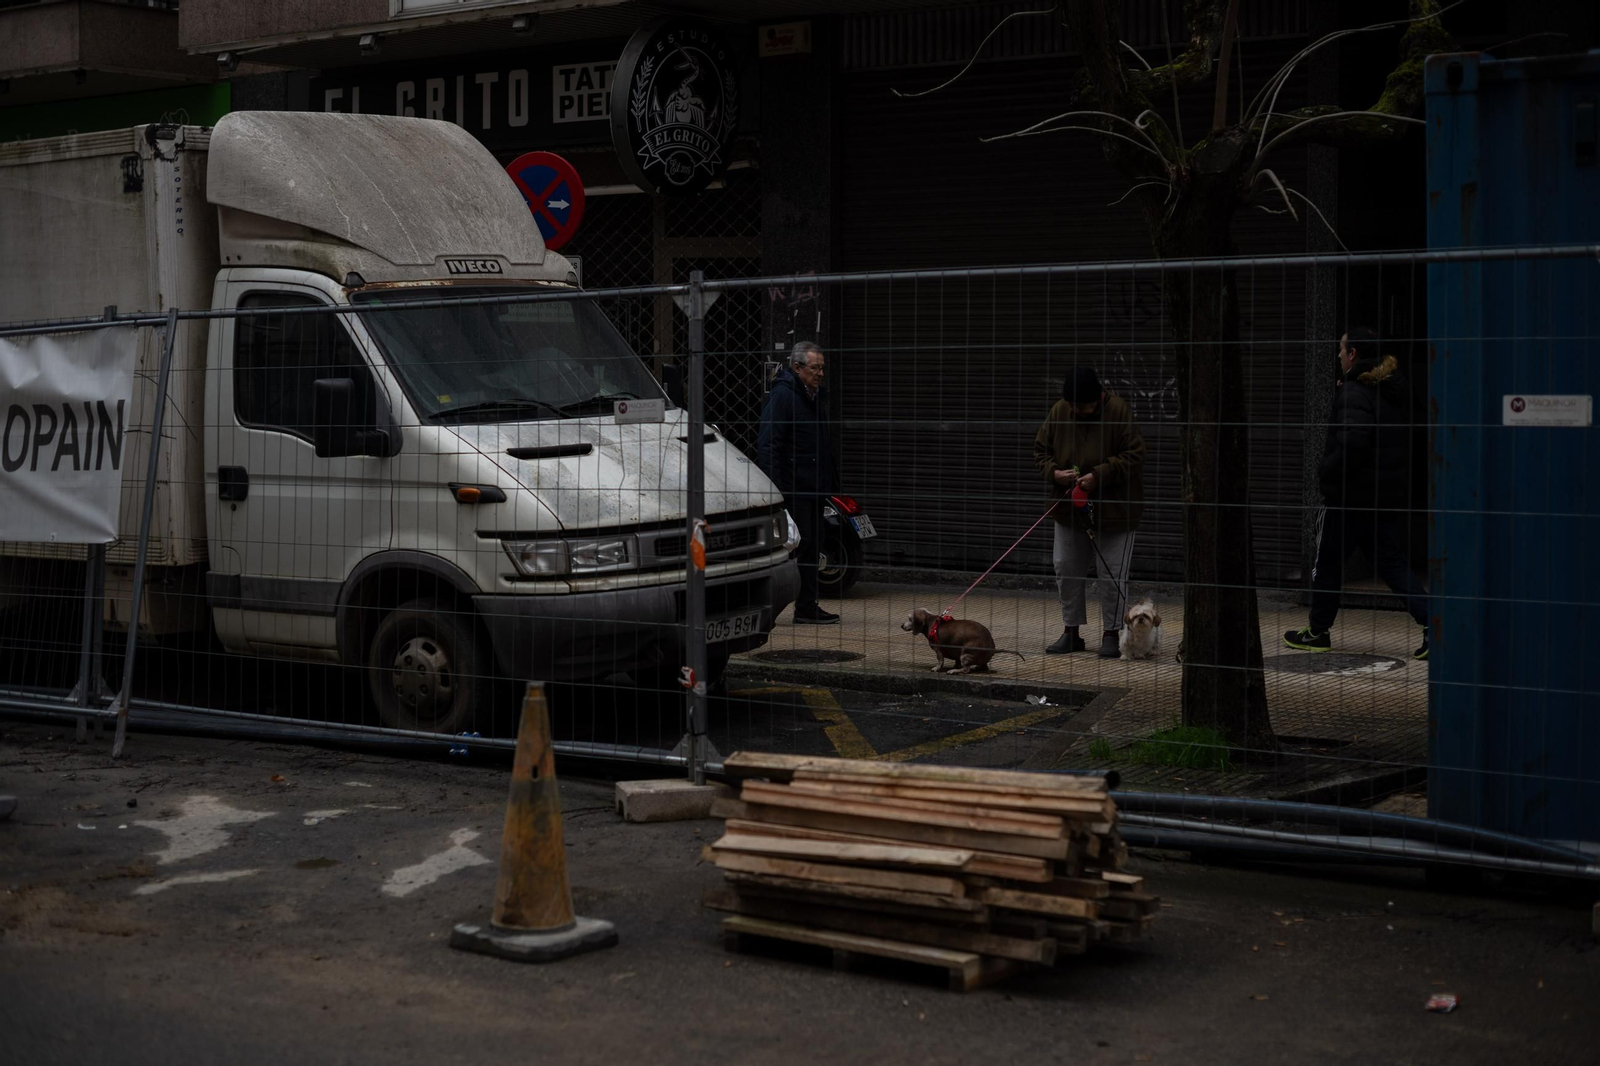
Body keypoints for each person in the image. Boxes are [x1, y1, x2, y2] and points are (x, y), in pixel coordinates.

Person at [1285, 327, 1430, 659]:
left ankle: (1317, 632)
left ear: (1353, 355)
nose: (1337, 354)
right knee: (1392, 564)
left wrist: (1326, 470)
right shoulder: (1387, 389)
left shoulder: (1354, 391)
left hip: (1352, 497)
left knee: (1330, 563)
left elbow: (1354, 443)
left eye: (1341, 349)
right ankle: (1432, 621)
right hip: (1383, 495)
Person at [1033, 366, 1147, 657]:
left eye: (1082, 405)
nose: (1076, 410)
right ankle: (1071, 631)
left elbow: (1135, 455)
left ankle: (1112, 632)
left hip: (1116, 510)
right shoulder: (1060, 410)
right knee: (1066, 568)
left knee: (1112, 575)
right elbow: (1041, 450)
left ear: (1098, 397)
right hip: (1069, 507)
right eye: (1072, 404)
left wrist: (1099, 475)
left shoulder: (1119, 411)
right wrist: (1054, 472)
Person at [757, 341, 839, 624]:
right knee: (799, 550)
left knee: (813, 545)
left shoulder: (812, 397)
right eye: (815, 368)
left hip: (813, 487)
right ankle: (798, 607)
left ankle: (807, 605)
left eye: (822, 368)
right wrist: (779, 492)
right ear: (797, 367)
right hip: (795, 489)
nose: (820, 374)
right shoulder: (783, 396)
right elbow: (769, 446)